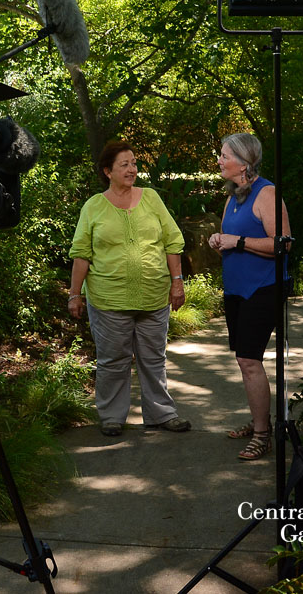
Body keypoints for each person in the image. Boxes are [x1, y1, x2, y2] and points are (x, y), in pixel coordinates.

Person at [68, 140, 191, 437]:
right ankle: (112, 416)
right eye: (124, 164)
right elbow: (81, 252)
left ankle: (161, 414)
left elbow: (172, 241)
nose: (132, 169)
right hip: (109, 299)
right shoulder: (94, 206)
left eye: (134, 163)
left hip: (154, 296)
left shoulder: (150, 198)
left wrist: (177, 282)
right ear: (107, 171)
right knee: (113, 360)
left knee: (154, 359)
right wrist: (75, 294)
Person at [208, 133, 291, 461]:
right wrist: (219, 239)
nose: (219, 161)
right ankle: (259, 421)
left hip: (264, 288)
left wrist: (237, 242)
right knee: (245, 361)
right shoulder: (233, 197)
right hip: (236, 290)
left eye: (224, 156)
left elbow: (282, 245)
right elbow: (232, 237)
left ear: (243, 163)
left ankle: (262, 434)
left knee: (249, 360)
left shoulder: (267, 193)